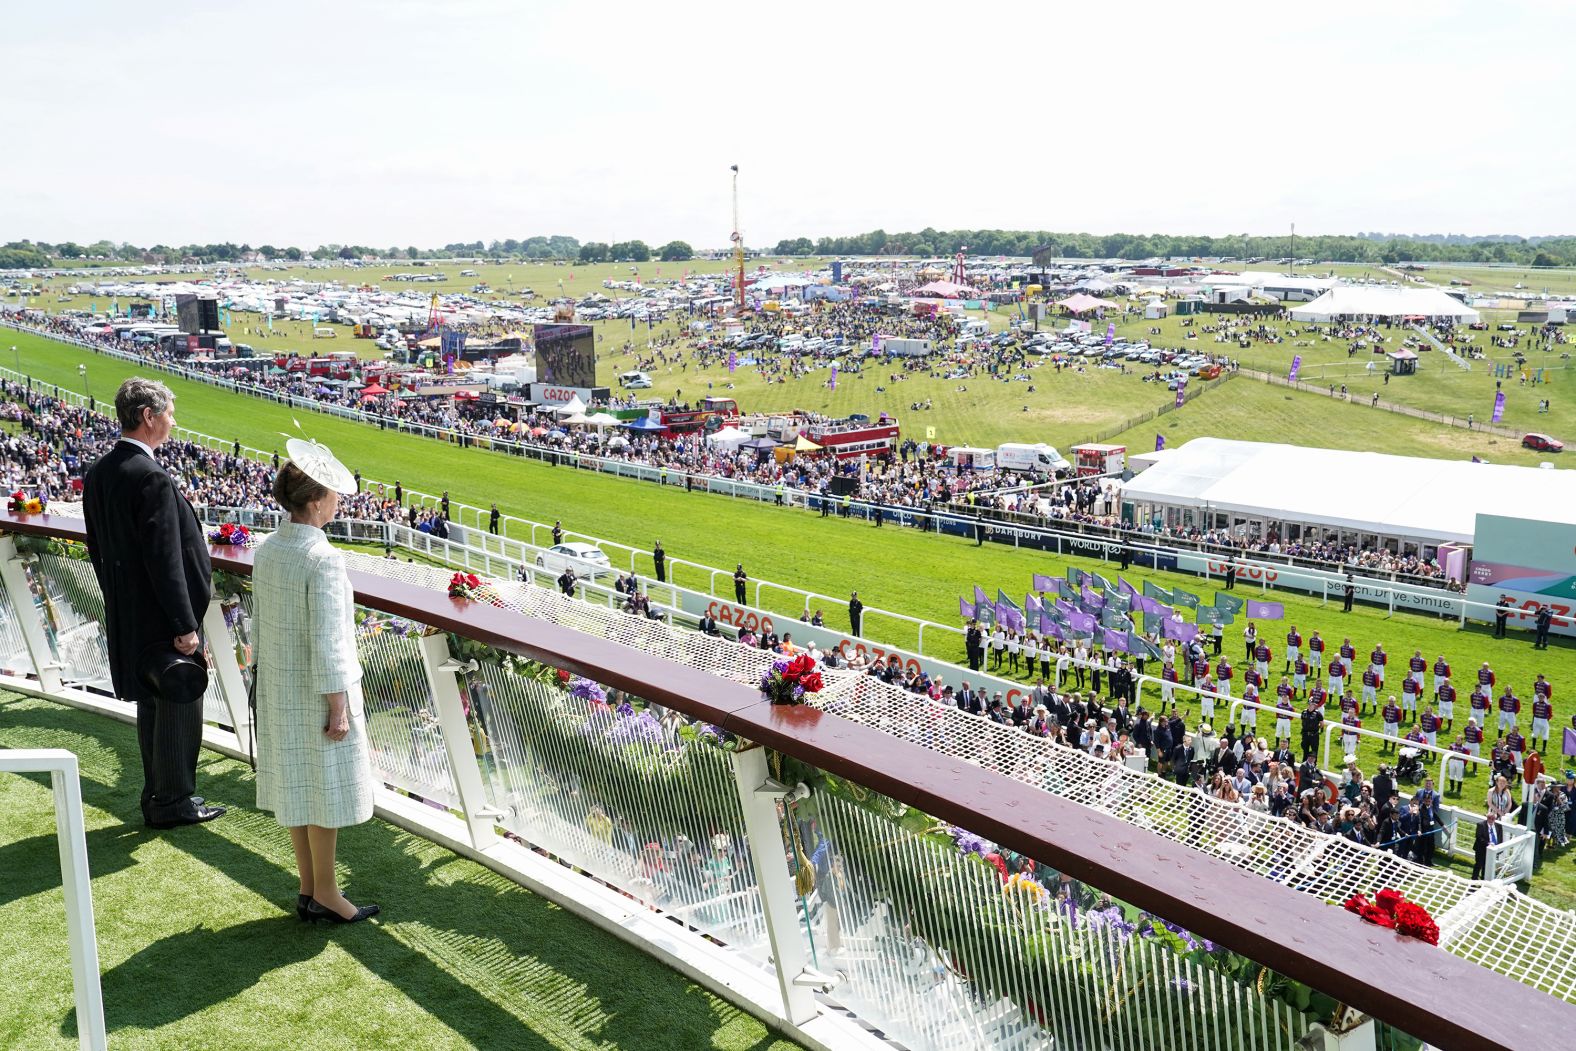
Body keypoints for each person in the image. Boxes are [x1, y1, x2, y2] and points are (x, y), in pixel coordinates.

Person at [83, 378, 225, 830]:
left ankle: (158, 796)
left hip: (130, 612)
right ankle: (174, 801)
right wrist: (185, 627)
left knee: (152, 704)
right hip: (164, 619)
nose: (173, 421)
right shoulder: (150, 476)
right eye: (168, 412)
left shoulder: (101, 471)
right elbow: (165, 559)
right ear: (148, 416)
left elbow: (97, 549)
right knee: (180, 704)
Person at [252, 437, 379, 924]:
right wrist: (338, 707)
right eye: (333, 494)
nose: (339, 502)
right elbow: (329, 640)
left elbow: (260, 624)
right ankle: (325, 891)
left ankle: (308, 888)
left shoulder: (270, 547)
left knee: (298, 787)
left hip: (278, 686)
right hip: (314, 692)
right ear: (314, 501)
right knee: (323, 791)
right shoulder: (322, 558)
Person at [1472, 810, 1501, 880]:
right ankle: (1474, 879)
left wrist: (1499, 848)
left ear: (1495, 819)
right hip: (1481, 849)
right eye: (1489, 818)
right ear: (1487, 817)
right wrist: (1488, 844)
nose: (1490, 820)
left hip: (1493, 850)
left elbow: (1500, 837)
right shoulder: (1481, 825)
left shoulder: (1499, 826)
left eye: (1493, 818)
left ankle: (1483, 880)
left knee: (1487, 867)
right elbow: (1479, 837)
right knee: (1478, 865)